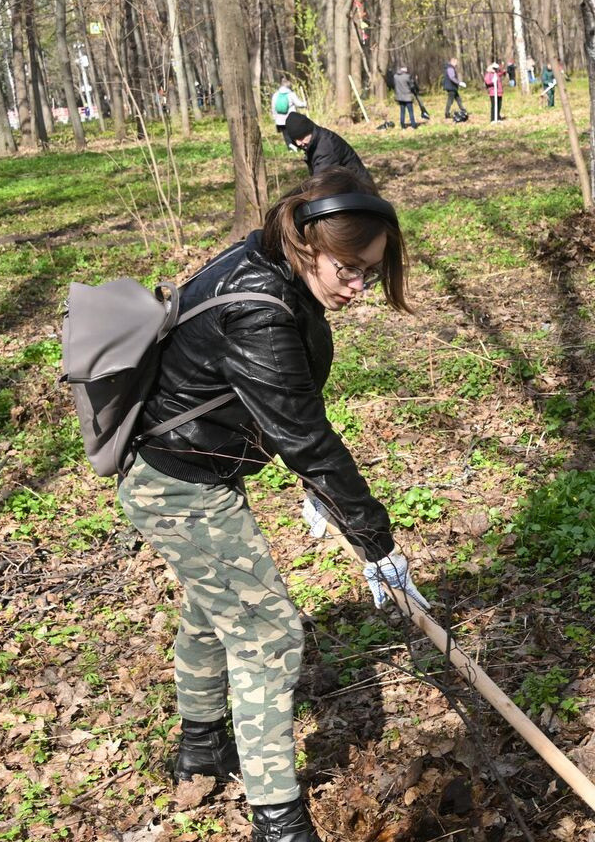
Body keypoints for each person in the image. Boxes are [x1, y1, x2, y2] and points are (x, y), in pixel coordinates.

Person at [123, 166, 423, 842]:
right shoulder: (257, 308)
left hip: (193, 465)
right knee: (267, 634)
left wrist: (321, 491)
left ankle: (200, 753)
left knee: (215, 604)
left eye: (369, 274)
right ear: (311, 243)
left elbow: (280, 415)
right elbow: (307, 436)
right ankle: (279, 824)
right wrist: (375, 539)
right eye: (349, 268)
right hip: (177, 485)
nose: (357, 287)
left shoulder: (270, 260)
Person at [282, 113, 370, 182]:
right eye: (295, 139)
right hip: (346, 186)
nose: (298, 143)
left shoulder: (326, 147)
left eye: (301, 138)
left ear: (309, 131)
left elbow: (320, 182)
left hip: (359, 191)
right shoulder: (315, 140)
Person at [271, 82, 307, 149]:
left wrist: (274, 117)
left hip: (279, 119)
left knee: (285, 133)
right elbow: (298, 104)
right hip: (291, 118)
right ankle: (297, 146)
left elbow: (273, 107)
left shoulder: (275, 95)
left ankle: (290, 147)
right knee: (295, 132)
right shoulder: (291, 94)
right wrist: (305, 104)